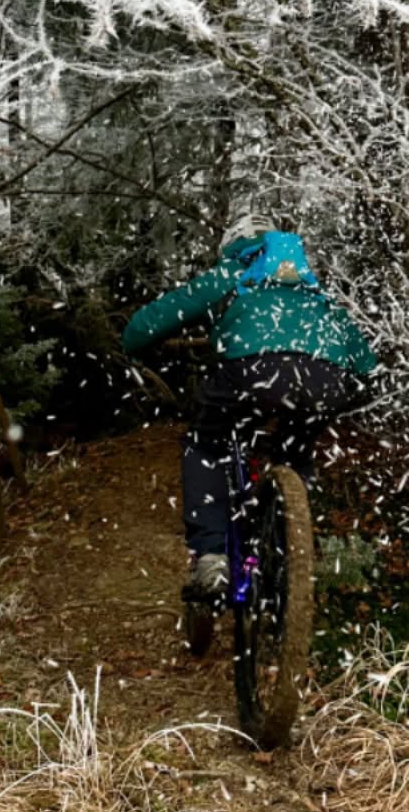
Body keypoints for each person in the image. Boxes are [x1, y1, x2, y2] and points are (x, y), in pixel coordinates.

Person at [121, 215, 378, 602]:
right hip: (325, 379)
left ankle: (211, 557)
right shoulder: (309, 284)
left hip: (249, 373)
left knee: (206, 447)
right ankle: (291, 551)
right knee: (294, 452)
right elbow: (367, 363)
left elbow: (147, 325)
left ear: (233, 247)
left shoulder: (232, 273)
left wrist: (136, 347)